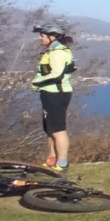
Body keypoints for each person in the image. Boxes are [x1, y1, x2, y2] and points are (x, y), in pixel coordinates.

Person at [31, 23, 77, 173]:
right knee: (50, 129)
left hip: (56, 94)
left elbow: (56, 73)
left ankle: (62, 162)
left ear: (52, 37)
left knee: (58, 129)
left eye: (42, 36)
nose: (40, 38)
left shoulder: (58, 53)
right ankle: (52, 158)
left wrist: (36, 81)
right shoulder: (52, 51)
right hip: (50, 93)